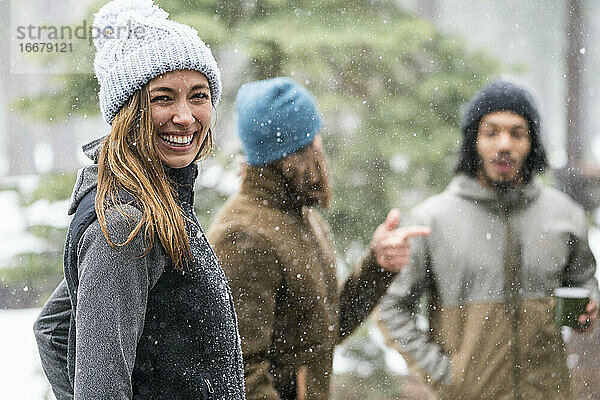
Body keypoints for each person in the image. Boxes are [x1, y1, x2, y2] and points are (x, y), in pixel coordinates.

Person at [32, 1, 245, 398]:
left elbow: (54, 330)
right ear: (128, 111)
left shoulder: (160, 201)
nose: (185, 116)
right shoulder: (125, 227)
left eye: (198, 95)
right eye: (163, 98)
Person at [207, 77, 431, 400]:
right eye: (313, 140)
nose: (321, 148)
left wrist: (377, 266)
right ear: (292, 155)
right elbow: (241, 373)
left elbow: (321, 333)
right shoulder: (245, 236)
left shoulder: (302, 219)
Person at [377, 79, 600, 400]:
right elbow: (391, 307)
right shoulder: (432, 221)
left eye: (517, 133)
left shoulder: (565, 216)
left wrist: (588, 304)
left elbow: (583, 280)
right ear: (473, 141)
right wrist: (445, 375)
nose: (504, 144)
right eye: (491, 132)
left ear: (532, 143)